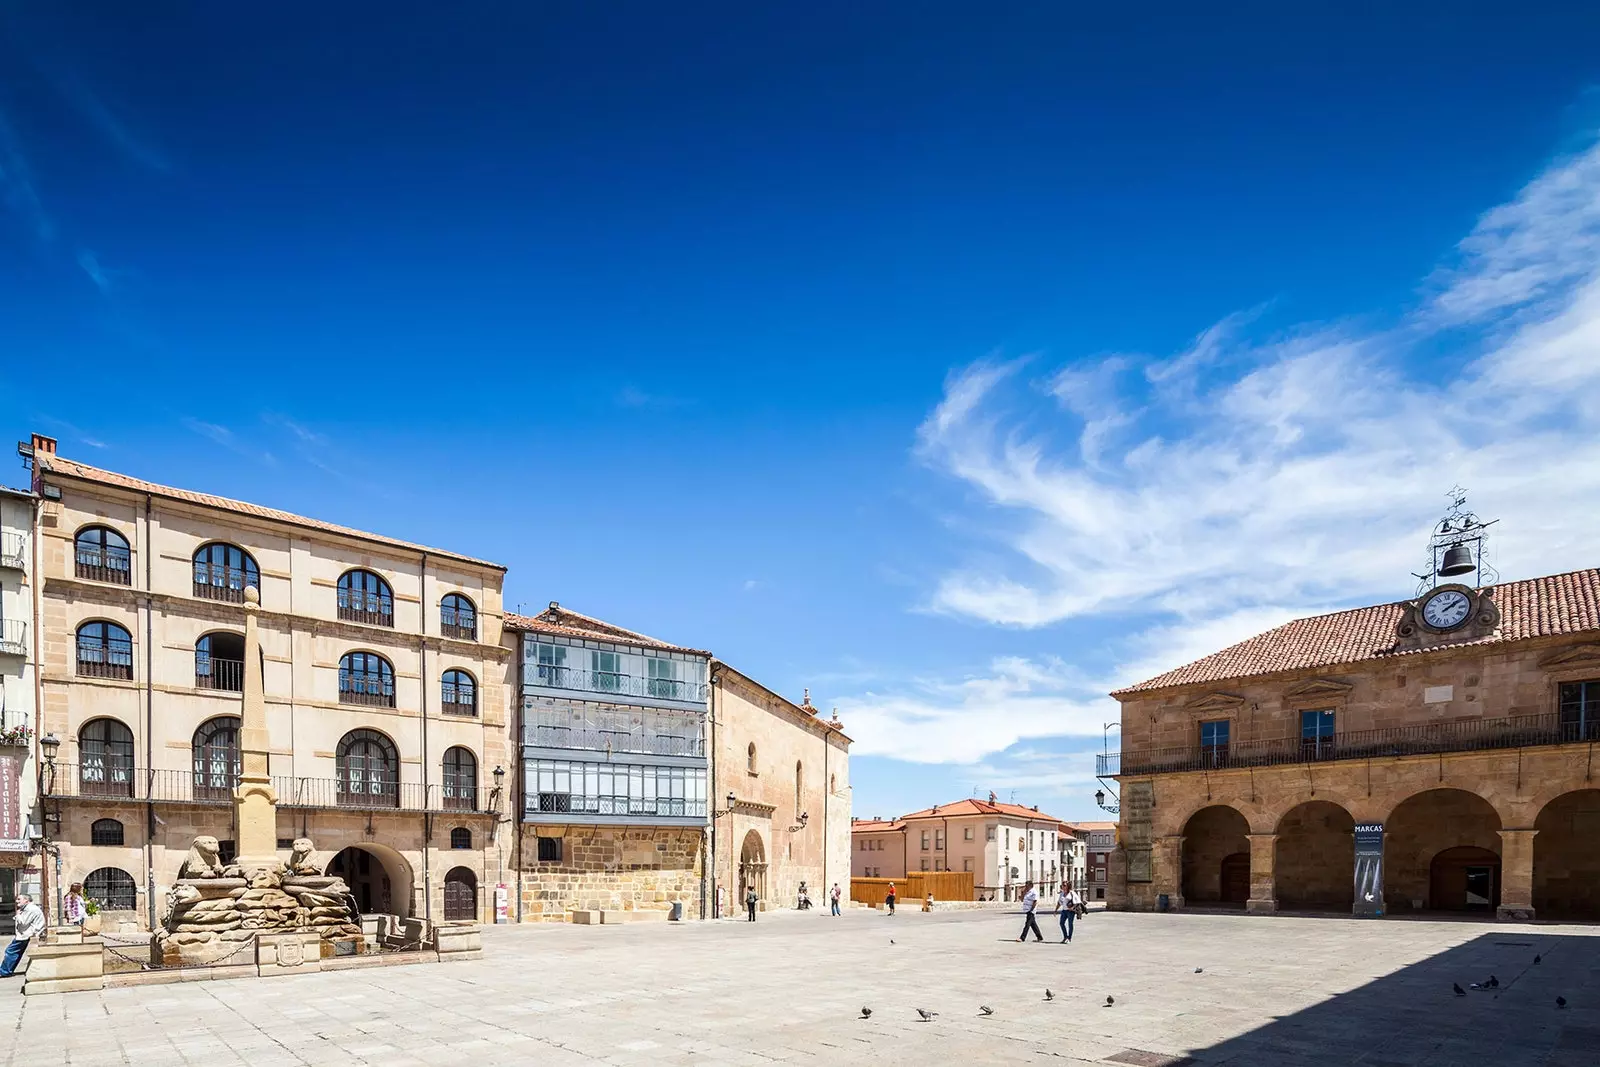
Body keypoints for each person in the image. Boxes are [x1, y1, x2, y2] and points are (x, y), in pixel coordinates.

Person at [1, 894, 45, 978]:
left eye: (19, 899)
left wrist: (18, 914)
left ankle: (5, 971)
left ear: (26, 900)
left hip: (26, 934)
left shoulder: (30, 909)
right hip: (26, 933)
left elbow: (24, 922)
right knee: (15, 952)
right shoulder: (28, 908)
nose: (17, 901)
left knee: (10, 951)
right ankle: (7, 970)